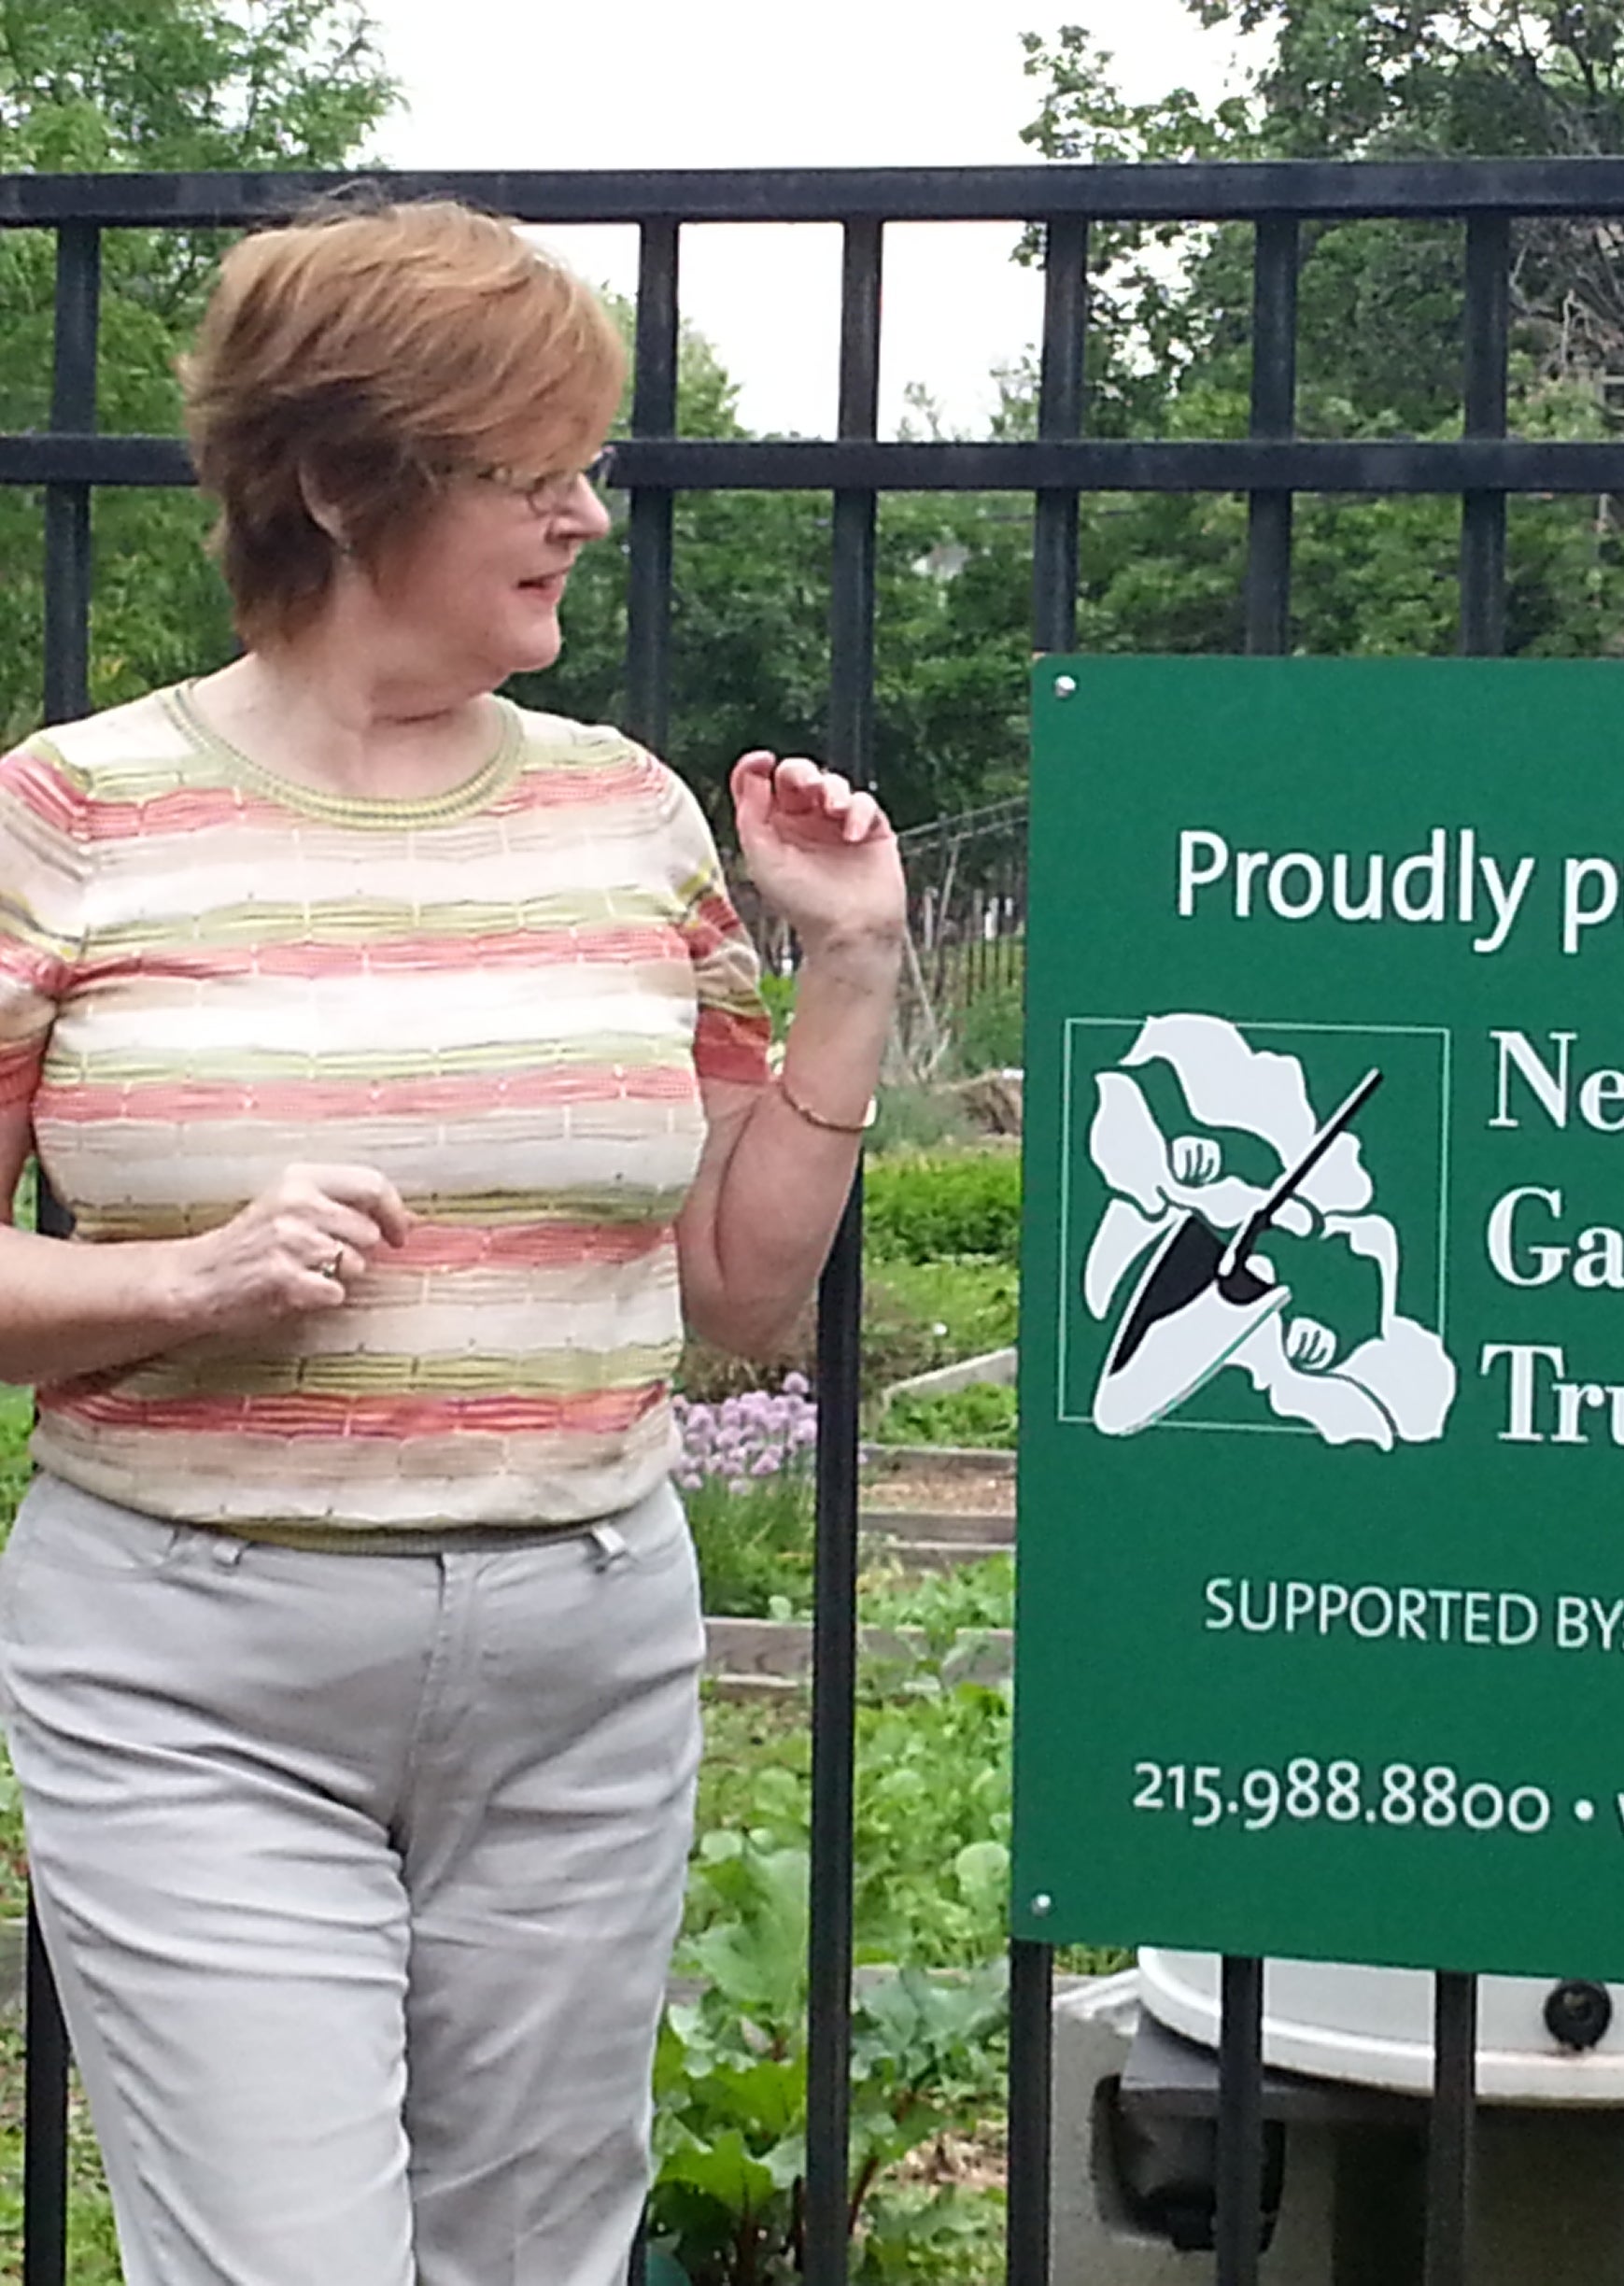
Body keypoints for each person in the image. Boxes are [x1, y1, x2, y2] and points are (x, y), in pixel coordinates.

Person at [0, 200, 904, 2284]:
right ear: (336, 480)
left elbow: (739, 1299)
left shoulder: (626, 817)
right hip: (191, 1662)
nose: (590, 515)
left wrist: (845, 973)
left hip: (584, 1645)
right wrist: (174, 1283)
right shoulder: (76, 816)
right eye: (534, 471)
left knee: (533, 2265)